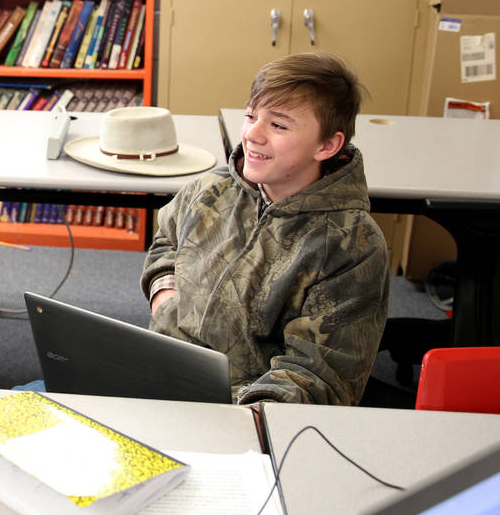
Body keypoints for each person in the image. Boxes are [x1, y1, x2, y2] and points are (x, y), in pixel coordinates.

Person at [142, 52, 388, 405]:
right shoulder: (211, 190)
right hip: (158, 374)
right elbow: (167, 241)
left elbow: (318, 376)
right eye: (251, 116)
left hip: (240, 411)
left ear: (327, 145)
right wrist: (165, 297)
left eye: (279, 125)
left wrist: (239, 417)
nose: (252, 135)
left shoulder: (349, 246)